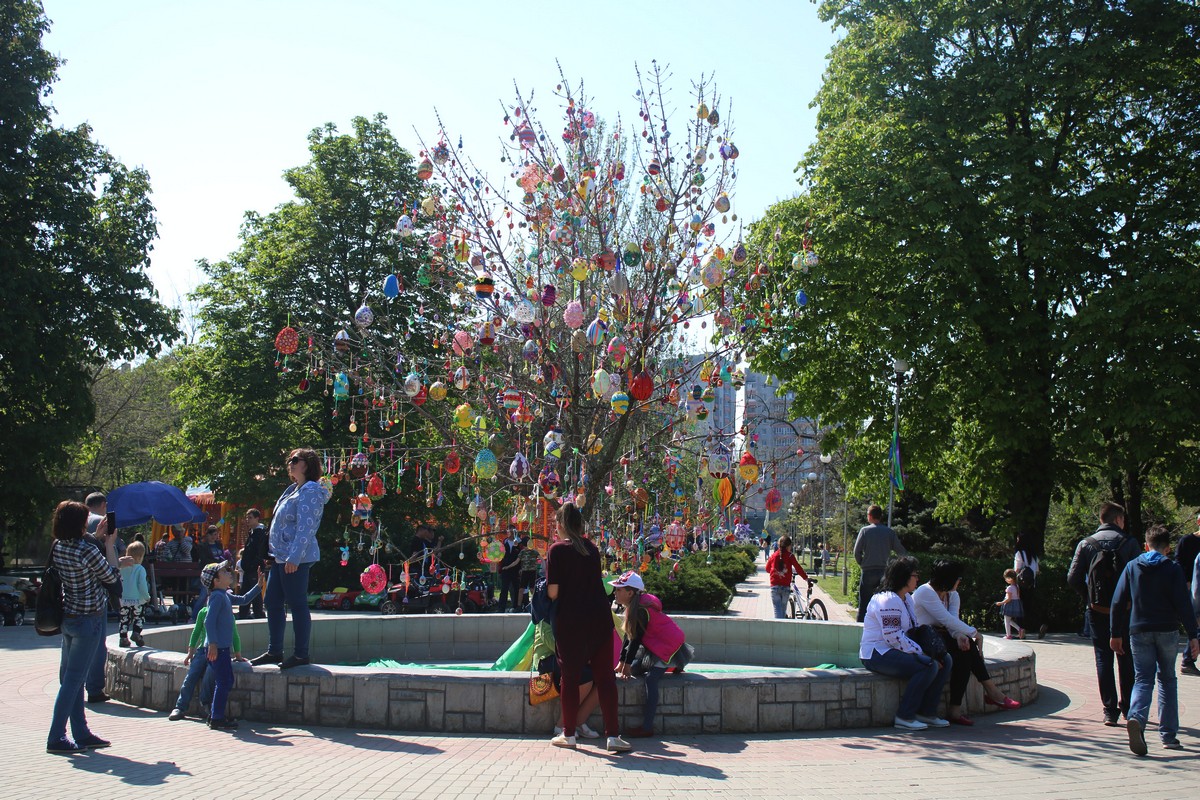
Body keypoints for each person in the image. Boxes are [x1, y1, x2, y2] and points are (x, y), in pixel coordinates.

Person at [547, 502, 628, 752]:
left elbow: (553, 592)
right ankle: (613, 736)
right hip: (599, 621)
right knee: (605, 678)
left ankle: (568, 734)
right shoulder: (591, 549)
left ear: (560, 525)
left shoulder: (556, 551)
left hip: (571, 622)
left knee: (570, 678)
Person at [1110, 525, 1199, 754]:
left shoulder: (1132, 567)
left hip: (1138, 630)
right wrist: (1193, 635)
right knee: (1167, 679)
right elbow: (1183, 603)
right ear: (1168, 548)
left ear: (1145, 546)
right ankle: (1168, 736)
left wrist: (1115, 633)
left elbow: (1118, 601)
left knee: (1143, 679)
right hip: (1167, 630)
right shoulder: (1173, 568)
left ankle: (1137, 719)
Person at [46, 501, 121, 753]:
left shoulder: (58, 547)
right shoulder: (87, 551)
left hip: (69, 618)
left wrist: (96, 537)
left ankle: (81, 733)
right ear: (78, 524)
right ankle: (56, 736)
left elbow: (76, 545)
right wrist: (109, 545)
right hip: (89, 620)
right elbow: (112, 577)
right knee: (73, 682)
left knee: (72, 680)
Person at [912, 560, 1021, 725]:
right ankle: (991, 692)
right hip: (923, 636)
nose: (960, 581)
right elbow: (945, 618)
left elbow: (952, 621)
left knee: (965, 648)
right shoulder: (925, 592)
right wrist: (974, 633)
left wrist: (960, 636)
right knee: (965, 649)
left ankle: (956, 710)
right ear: (947, 579)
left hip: (941, 635)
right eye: (957, 578)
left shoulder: (952, 594)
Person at [1066, 501, 1142, 726]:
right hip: (1126, 611)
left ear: (1101, 519)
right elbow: (1139, 576)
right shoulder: (1129, 543)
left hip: (1097, 610)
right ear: (1119, 520)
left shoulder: (1086, 544)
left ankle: (1109, 711)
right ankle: (1128, 708)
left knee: (1103, 657)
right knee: (1126, 656)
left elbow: (1072, 578)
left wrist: (1088, 597)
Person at [250, 448, 325, 670]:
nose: (290, 463)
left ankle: (301, 654)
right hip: (281, 558)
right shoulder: (294, 489)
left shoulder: (310, 490)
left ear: (307, 464)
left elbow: (306, 527)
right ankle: (275, 651)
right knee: (271, 602)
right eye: (289, 460)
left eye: (295, 460)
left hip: (295, 559)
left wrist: (295, 556)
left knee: (297, 603)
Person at [859, 556, 952, 731]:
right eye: (915, 575)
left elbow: (913, 629)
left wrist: (930, 651)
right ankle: (904, 716)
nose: (918, 579)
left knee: (945, 660)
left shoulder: (907, 598)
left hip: (895, 649)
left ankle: (927, 713)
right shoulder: (887, 600)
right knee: (927, 666)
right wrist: (921, 654)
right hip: (877, 653)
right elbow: (892, 637)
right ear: (904, 577)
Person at [613, 571, 690, 738]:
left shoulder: (640, 609)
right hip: (655, 645)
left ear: (630, 593)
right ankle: (671, 667)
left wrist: (625, 666)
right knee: (635, 670)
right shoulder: (633, 607)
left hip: (667, 645)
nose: (615, 592)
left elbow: (635, 640)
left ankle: (647, 727)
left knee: (650, 679)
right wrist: (621, 662)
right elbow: (628, 636)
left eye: (619, 589)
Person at [169, 588, 251, 721]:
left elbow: (235, 636)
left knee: (209, 677)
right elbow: (196, 632)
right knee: (191, 676)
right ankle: (180, 706)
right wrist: (191, 651)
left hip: (219, 652)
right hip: (202, 651)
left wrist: (238, 655)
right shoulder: (203, 612)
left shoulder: (229, 616)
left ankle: (206, 705)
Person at [201, 560, 262, 730]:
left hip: (221, 648)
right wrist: (212, 643)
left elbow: (243, 600)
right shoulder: (217, 597)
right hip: (217, 648)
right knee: (224, 681)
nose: (230, 573)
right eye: (225, 572)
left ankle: (215, 715)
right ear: (216, 581)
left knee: (224, 681)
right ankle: (216, 717)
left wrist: (258, 586)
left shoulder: (224, 594)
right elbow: (209, 621)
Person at [853, 504, 907, 623]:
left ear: (870, 516)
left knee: (864, 606)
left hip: (868, 572)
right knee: (883, 606)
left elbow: (856, 552)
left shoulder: (865, 531)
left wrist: (862, 563)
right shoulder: (889, 532)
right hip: (884, 572)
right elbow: (902, 552)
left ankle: (861, 630)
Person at [1175, 517, 1200, 675]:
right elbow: (1178, 562)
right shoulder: (1187, 541)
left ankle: (1188, 659)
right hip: (1191, 588)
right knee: (1196, 625)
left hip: (1197, 590)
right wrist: (1186, 581)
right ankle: (1187, 659)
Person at [766, 536, 810, 619]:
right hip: (785, 587)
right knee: (782, 610)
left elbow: (767, 569)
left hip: (774, 587)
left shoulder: (773, 555)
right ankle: (782, 628)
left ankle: (779, 628)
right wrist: (806, 578)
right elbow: (798, 568)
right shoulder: (790, 556)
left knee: (777, 610)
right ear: (788, 546)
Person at [1013, 535, 1047, 639]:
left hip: (1021, 586)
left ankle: (1021, 632)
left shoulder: (1019, 554)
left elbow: (1017, 571)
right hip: (1031, 585)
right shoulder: (1034, 556)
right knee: (1029, 608)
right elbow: (1036, 571)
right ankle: (1038, 625)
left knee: (1020, 608)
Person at [118, 541, 150, 647]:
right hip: (138, 599)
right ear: (141, 556)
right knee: (138, 617)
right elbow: (142, 584)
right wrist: (146, 596)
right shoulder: (140, 569)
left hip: (123, 598)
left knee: (124, 618)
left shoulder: (122, 568)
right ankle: (136, 633)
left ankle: (123, 638)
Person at [239, 509, 268, 619]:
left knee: (255, 592)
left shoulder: (260, 533)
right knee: (245, 592)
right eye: (247, 518)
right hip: (248, 569)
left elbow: (260, 552)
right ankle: (243, 614)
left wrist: (253, 565)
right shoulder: (252, 533)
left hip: (255, 569)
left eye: (250, 517)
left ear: (257, 518)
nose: (248, 520)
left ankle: (259, 615)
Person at [497, 528, 522, 612]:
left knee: (516, 588)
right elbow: (499, 555)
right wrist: (500, 568)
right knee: (504, 589)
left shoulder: (518, 543)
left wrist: (520, 568)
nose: (509, 533)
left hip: (515, 570)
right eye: (508, 532)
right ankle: (501, 608)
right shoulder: (504, 543)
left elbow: (521, 556)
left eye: (511, 532)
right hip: (505, 569)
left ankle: (516, 607)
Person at [996, 569, 1026, 640]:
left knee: (1006, 620)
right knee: (1009, 620)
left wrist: (1001, 603)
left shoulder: (1009, 588)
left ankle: (1008, 635)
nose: (1005, 580)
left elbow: (1009, 599)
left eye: (1006, 578)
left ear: (1010, 578)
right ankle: (1019, 629)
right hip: (1016, 604)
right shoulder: (1016, 586)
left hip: (1010, 605)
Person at [517, 535, 540, 610]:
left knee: (532, 589)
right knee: (521, 589)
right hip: (524, 572)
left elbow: (541, 559)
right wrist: (507, 567)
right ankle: (519, 606)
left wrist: (545, 567)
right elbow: (516, 561)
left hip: (532, 572)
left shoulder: (534, 552)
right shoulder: (522, 552)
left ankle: (535, 606)